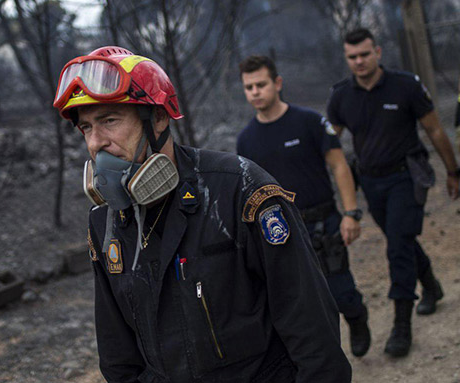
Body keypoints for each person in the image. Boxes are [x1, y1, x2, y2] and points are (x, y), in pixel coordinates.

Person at [53, 46, 351, 382]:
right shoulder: (104, 223)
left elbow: (310, 324)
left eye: (109, 121)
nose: (95, 143)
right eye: (86, 128)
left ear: (159, 118)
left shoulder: (241, 190)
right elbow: (117, 353)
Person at [327, 28, 460, 358]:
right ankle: (430, 284)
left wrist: (453, 171)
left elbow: (434, 128)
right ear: (347, 58)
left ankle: (402, 326)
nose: (359, 61)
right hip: (371, 182)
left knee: (397, 247)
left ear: (378, 52)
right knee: (402, 241)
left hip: (406, 177)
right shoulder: (342, 96)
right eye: (352, 57)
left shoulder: (406, 85)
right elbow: (329, 141)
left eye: (364, 54)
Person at [236, 55, 371, 357]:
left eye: (261, 84)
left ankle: (356, 316)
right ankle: (323, 358)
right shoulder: (245, 140)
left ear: (277, 83)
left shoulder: (309, 121)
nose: (255, 91)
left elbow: (338, 166)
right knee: (303, 302)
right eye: (249, 87)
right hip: (281, 230)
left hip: (324, 221)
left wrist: (350, 213)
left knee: (341, 292)